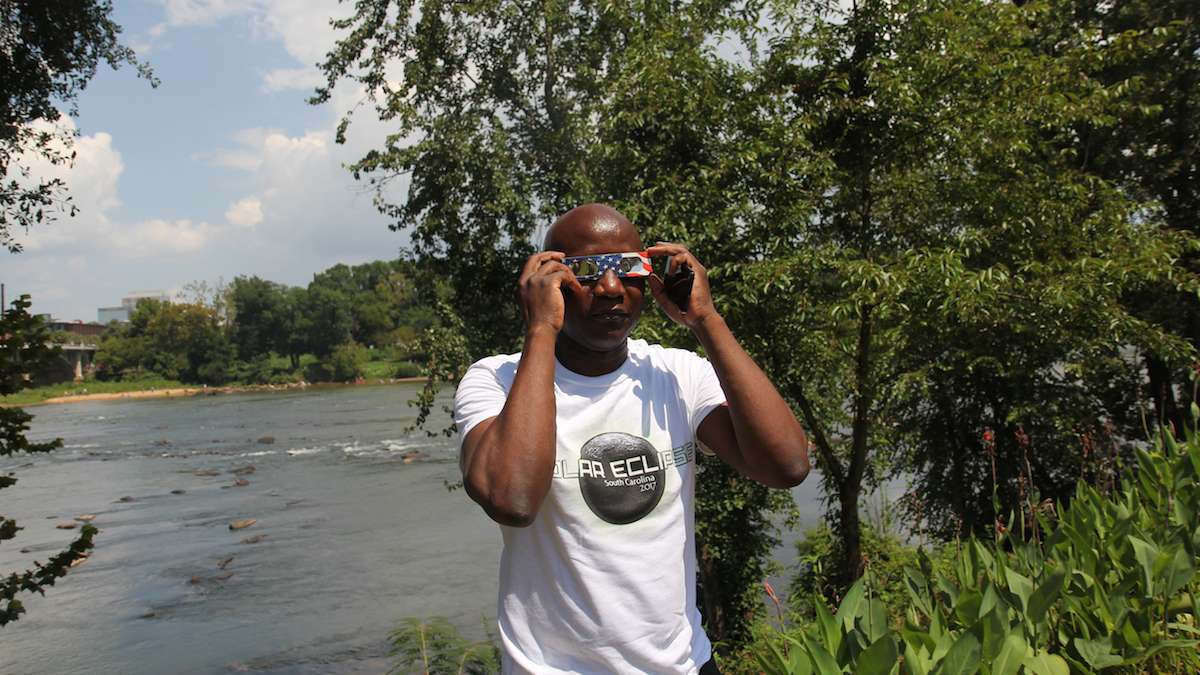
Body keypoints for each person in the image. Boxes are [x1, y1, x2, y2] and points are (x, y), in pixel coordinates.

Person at [454, 203, 810, 674]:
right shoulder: (496, 382)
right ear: (549, 283)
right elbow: (512, 499)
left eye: (627, 268)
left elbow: (785, 465)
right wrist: (541, 330)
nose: (609, 288)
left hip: (685, 665)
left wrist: (705, 320)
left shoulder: (676, 374)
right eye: (584, 271)